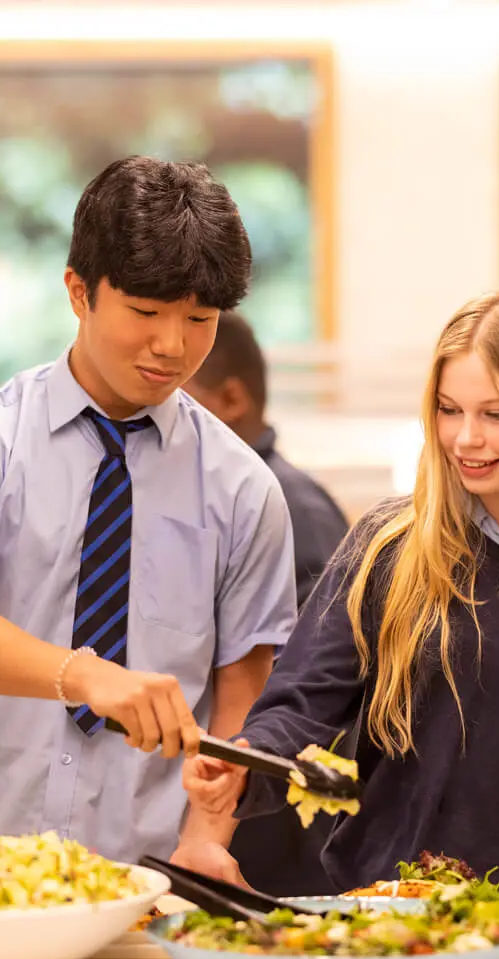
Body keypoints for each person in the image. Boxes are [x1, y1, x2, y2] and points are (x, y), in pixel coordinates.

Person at [178, 287, 499, 895]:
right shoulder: (386, 546)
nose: (465, 438)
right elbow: (300, 704)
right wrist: (244, 763)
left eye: (495, 414)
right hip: (385, 902)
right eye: (448, 409)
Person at [0, 156, 296, 871]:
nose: (172, 346)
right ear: (79, 293)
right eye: (145, 312)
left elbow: (243, 689)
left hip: (145, 882)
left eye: (199, 318)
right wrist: (85, 675)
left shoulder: (243, 489)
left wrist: (204, 843)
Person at [184, 310, 349, 895]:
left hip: (268, 832)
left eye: (180, 399)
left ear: (231, 397)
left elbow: (306, 693)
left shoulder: (289, 507)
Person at [184, 311, 349, 610]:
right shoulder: (194, 493)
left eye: (177, 401)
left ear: (232, 399)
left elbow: (320, 649)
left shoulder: (297, 510)